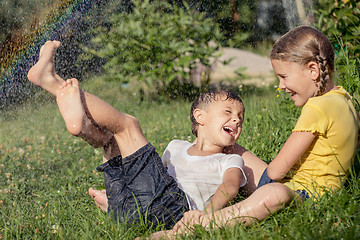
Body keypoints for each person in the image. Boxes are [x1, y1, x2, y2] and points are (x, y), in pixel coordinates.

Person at [154, 25, 359, 237]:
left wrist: (273, 177)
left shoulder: (317, 107)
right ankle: (206, 184)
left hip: (303, 194)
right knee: (232, 149)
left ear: (312, 70)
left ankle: (194, 225)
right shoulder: (345, 98)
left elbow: (276, 172)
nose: (280, 86)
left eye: (284, 76)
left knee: (273, 193)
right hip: (305, 187)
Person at [27, 40, 248, 229]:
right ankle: (83, 127)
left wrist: (205, 214)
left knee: (129, 126)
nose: (237, 120)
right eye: (228, 112)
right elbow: (148, 179)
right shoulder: (175, 147)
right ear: (200, 117)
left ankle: (52, 83)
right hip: (139, 208)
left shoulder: (230, 160)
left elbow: (229, 187)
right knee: (110, 141)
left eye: (241, 117)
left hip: (177, 211)